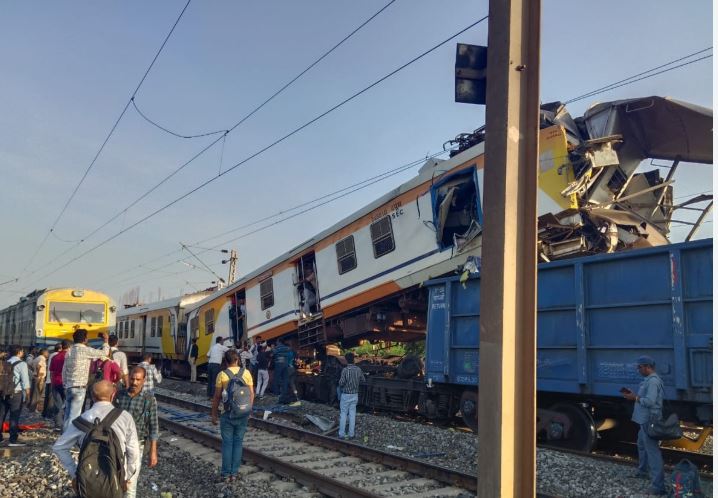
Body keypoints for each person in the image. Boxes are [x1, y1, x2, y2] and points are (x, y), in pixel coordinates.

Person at [52, 380, 140, 494]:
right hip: (115, 477)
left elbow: (59, 447)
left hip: (86, 478)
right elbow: (134, 452)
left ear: (92, 397)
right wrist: (127, 477)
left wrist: (75, 473)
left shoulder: (82, 419)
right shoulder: (125, 417)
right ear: (113, 395)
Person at [622, 355, 666, 495]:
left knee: (652, 451)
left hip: (649, 420)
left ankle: (658, 486)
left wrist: (634, 397)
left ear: (647, 367)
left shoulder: (653, 382)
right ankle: (642, 471)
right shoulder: (648, 380)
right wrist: (634, 395)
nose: (638, 370)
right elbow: (645, 398)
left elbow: (650, 401)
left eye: (639, 367)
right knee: (641, 444)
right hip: (645, 420)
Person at [114, 366, 159, 498]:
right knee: (115, 478)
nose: (134, 382)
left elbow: (153, 426)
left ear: (144, 380)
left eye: (138, 380)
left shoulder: (149, 400)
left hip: (137, 444)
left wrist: (153, 451)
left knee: (131, 482)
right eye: (132, 379)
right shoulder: (119, 396)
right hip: (117, 443)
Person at [211, 350, 253, 482]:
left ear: (225, 361)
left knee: (227, 444)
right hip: (243, 414)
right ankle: (234, 474)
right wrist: (248, 410)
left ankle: (225, 474)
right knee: (238, 443)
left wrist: (214, 414)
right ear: (237, 360)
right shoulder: (246, 373)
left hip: (227, 413)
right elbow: (251, 394)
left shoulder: (222, 375)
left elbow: (217, 397)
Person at [61, 329, 109, 432]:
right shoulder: (85, 350)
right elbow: (104, 353)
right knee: (74, 415)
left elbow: (64, 370)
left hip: (69, 386)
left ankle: (64, 434)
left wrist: (65, 384)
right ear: (85, 339)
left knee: (67, 414)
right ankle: (68, 437)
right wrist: (105, 341)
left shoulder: (69, 351)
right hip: (79, 387)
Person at [0, 346, 31, 446]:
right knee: (14, 416)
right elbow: (25, 381)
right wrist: (28, 395)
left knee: (1, 415)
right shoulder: (22, 364)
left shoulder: (4, 362)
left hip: (3, 393)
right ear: (19, 352)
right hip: (16, 393)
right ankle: (12, 440)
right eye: (22, 351)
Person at [338, 352, 365, 440]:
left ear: (346, 360)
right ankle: (351, 434)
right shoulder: (358, 369)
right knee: (352, 414)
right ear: (353, 359)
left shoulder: (345, 370)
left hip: (346, 395)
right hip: (355, 395)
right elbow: (363, 380)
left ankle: (341, 434)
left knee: (343, 414)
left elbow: (341, 383)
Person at [49, 340, 71, 431]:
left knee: (58, 404)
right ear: (69, 347)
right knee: (68, 404)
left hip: (56, 382)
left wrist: (52, 382)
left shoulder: (55, 357)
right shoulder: (70, 357)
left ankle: (58, 424)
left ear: (62, 346)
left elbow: (51, 371)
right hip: (67, 383)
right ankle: (67, 424)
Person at [42, 343, 61, 419]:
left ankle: (44, 413)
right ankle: (49, 414)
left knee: (47, 398)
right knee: (51, 399)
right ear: (59, 349)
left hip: (49, 380)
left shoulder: (51, 355)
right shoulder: (56, 355)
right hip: (52, 380)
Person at [272, 339, 292, 403]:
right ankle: (285, 396)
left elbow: (274, 353)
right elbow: (290, 354)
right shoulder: (287, 348)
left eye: (277, 341)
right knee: (285, 380)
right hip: (286, 365)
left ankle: (278, 394)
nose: (276, 342)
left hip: (279, 364)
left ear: (279, 342)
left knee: (277, 380)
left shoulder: (277, 347)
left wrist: (272, 348)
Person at [29, 348, 49, 412]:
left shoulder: (36, 358)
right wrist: (38, 374)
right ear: (44, 352)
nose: (48, 354)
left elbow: (30, 365)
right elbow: (38, 366)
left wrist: (34, 372)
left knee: (34, 393)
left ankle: (33, 407)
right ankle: (34, 408)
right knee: (37, 394)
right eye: (47, 352)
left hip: (35, 377)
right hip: (40, 378)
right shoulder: (42, 358)